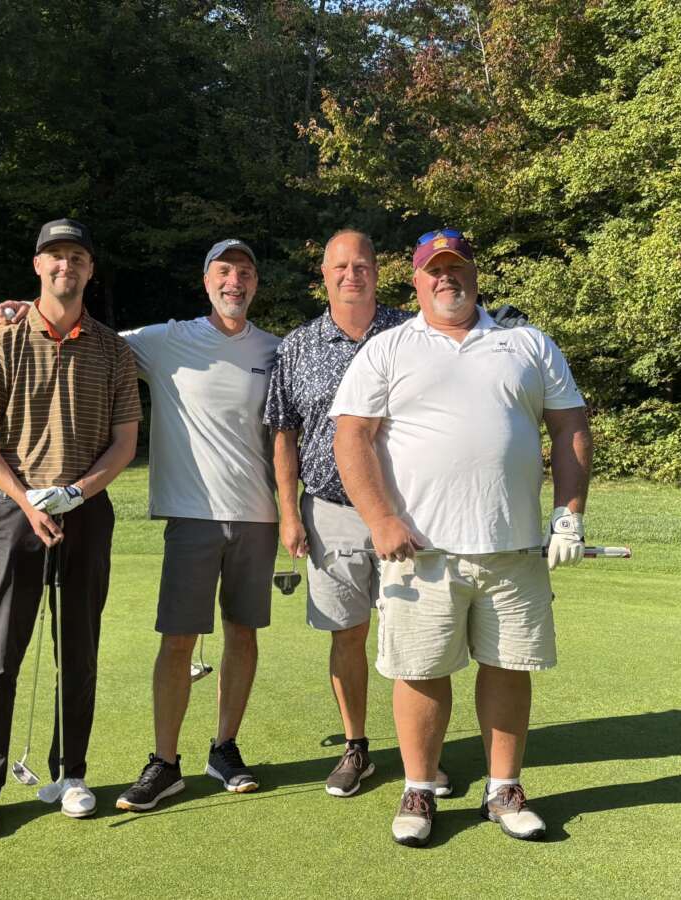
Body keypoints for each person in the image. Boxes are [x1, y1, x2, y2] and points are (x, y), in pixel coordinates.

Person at [0, 239, 280, 811]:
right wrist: (32, 310)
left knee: (242, 634)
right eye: (224, 271)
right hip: (191, 514)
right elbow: (84, 335)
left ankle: (224, 749)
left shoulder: (276, 349)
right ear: (206, 281)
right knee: (178, 640)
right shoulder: (165, 339)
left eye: (245, 273)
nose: (235, 282)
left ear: (255, 283)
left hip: (259, 515)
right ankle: (165, 763)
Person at [330, 228, 592, 847]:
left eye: (456, 267)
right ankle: (418, 788)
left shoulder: (526, 343)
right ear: (416, 281)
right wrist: (380, 519)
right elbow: (352, 436)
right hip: (420, 551)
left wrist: (569, 513)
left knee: (508, 666)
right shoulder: (388, 349)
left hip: (513, 547)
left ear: (475, 274)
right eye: (434, 269)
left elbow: (570, 426)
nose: (446, 277)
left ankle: (504, 789)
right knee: (420, 671)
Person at [0, 218, 141, 839]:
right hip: (17, 509)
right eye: (55, 256)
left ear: (91, 269)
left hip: (85, 508)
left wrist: (76, 492)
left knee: (78, 651)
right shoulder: (1, 340)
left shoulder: (113, 349)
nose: (67, 266)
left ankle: (72, 774)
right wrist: (27, 499)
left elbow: (124, 443)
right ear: (38, 265)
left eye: (77, 257)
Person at [263, 229, 451, 799]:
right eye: (340, 266)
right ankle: (356, 747)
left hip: (405, 509)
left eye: (362, 264)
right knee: (348, 632)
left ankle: (421, 757)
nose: (352, 274)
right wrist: (289, 512)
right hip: (330, 512)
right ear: (323, 274)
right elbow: (284, 433)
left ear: (377, 270)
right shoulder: (298, 346)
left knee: (416, 635)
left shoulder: (413, 333)